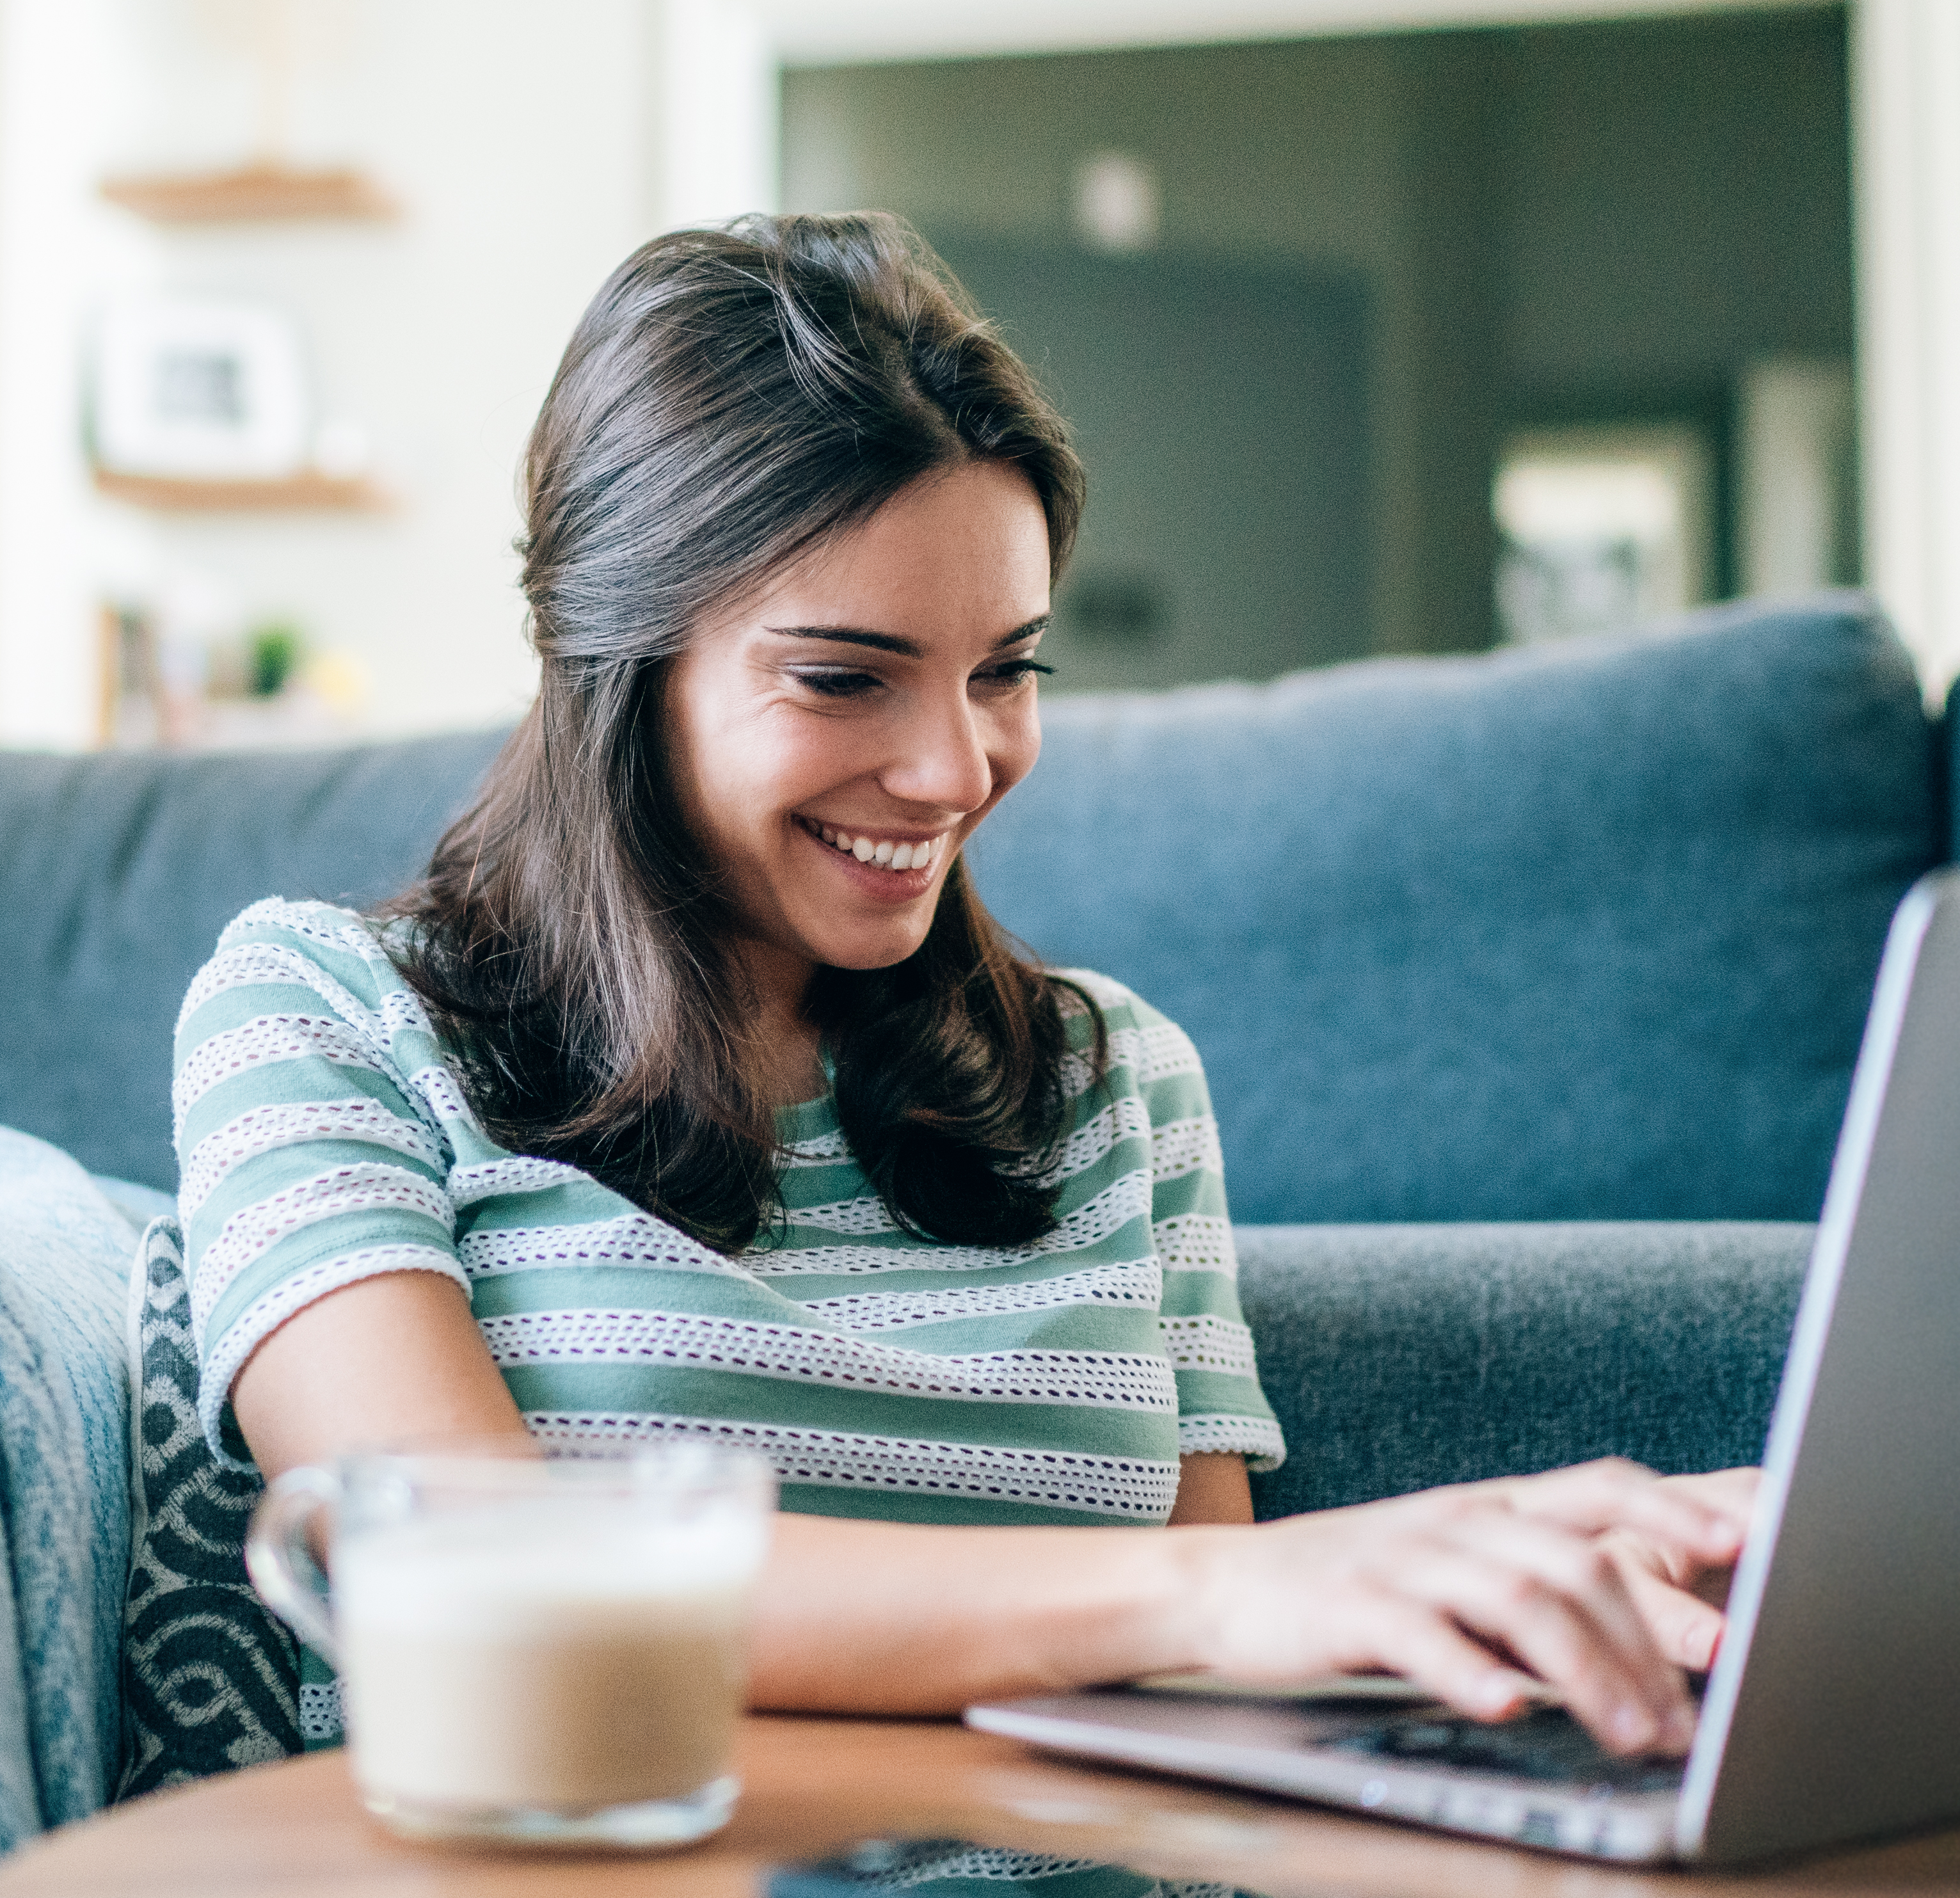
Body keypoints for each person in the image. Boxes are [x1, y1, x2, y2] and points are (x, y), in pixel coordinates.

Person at [175, 212, 1753, 1757]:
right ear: (615, 660)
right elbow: (459, 1577)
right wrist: (1221, 1583)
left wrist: (1510, 1609)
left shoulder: (1115, 1078)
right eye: (844, 676)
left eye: (1007, 667)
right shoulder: (322, 1017)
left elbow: (1218, 1699)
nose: (954, 766)